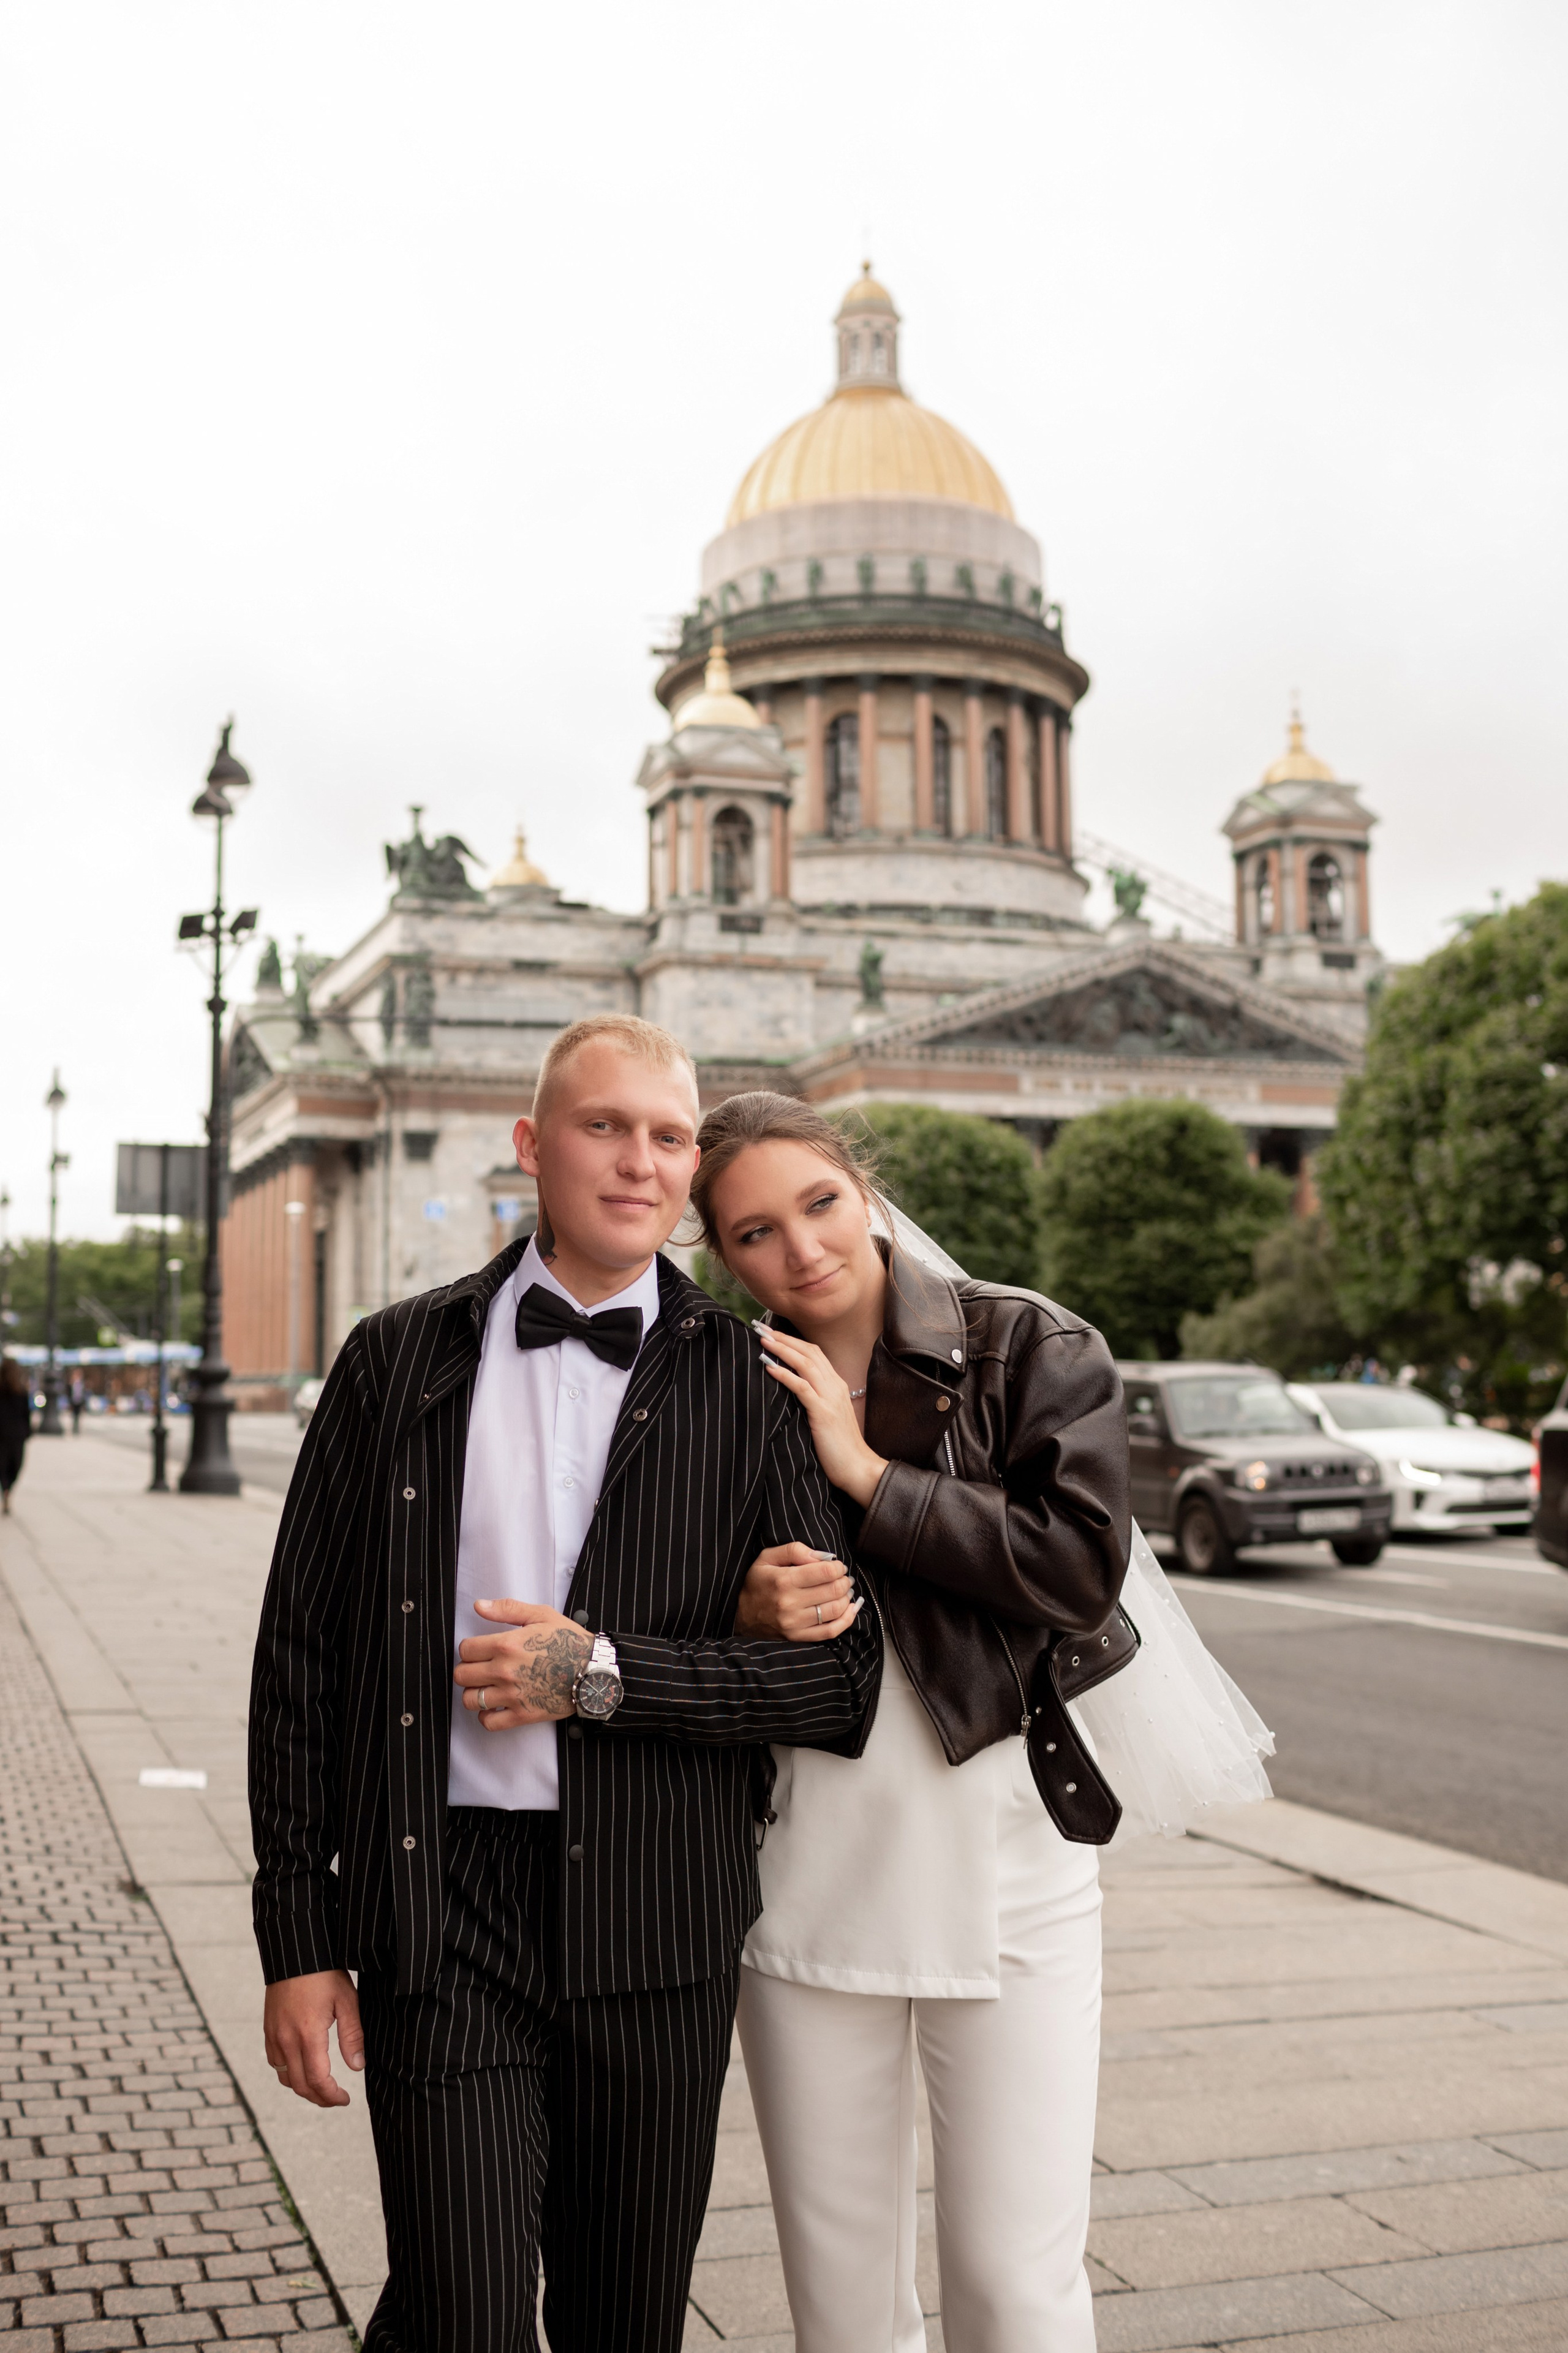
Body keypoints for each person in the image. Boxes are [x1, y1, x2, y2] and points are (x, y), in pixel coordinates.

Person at [249, 1015, 877, 2353]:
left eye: (666, 1138)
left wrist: (598, 1675)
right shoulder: (391, 1358)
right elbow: (303, 1657)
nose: (638, 1163)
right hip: (443, 1909)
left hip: (660, 1919)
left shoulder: (752, 1381)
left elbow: (839, 1688)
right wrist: (299, 1935)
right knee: (466, 2313)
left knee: (624, 2322)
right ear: (533, 1145)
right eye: (604, 1127)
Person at [692, 1090, 1136, 2353]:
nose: (802, 1251)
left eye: (818, 1204)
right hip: (801, 1869)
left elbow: (1071, 1569)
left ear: (864, 1186)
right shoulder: (717, 1383)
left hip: (1007, 1862)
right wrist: (740, 1604)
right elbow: (650, 1604)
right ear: (724, 1258)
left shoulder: (1029, 1344)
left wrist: (869, 1477)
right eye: (754, 1234)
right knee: (838, 2292)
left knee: (1012, 2279)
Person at [0, 1357, 31, 1513]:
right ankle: (7, 1489)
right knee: (15, 1465)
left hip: (9, 1435)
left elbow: (26, 1414)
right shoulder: (21, 1391)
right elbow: (27, 1415)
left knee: (5, 1466)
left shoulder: (21, 1391)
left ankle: (6, 1489)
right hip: (14, 1436)